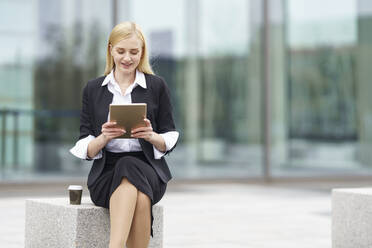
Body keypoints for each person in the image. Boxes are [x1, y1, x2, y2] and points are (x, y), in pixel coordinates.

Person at [70, 21, 179, 248]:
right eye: (121, 51)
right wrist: (104, 138)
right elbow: (84, 145)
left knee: (129, 164)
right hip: (106, 174)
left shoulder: (156, 86)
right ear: (110, 50)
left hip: (149, 170)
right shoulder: (93, 88)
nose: (127, 58)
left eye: (134, 52)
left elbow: (169, 136)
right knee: (138, 194)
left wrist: (150, 136)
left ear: (142, 52)